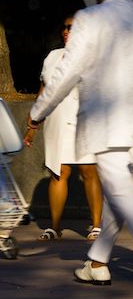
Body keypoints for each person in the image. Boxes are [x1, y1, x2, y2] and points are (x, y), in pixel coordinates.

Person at [27, 0, 133, 291]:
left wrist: (38, 112)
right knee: (119, 195)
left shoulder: (90, 19)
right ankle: (98, 263)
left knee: (122, 193)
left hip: (106, 127)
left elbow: (67, 72)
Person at [24, 14, 104, 241]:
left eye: (72, 27)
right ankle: (55, 227)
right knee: (59, 173)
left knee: (89, 171)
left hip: (84, 118)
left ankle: (96, 225)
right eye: (64, 28)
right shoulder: (52, 56)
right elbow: (44, 91)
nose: (66, 31)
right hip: (57, 120)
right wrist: (34, 124)